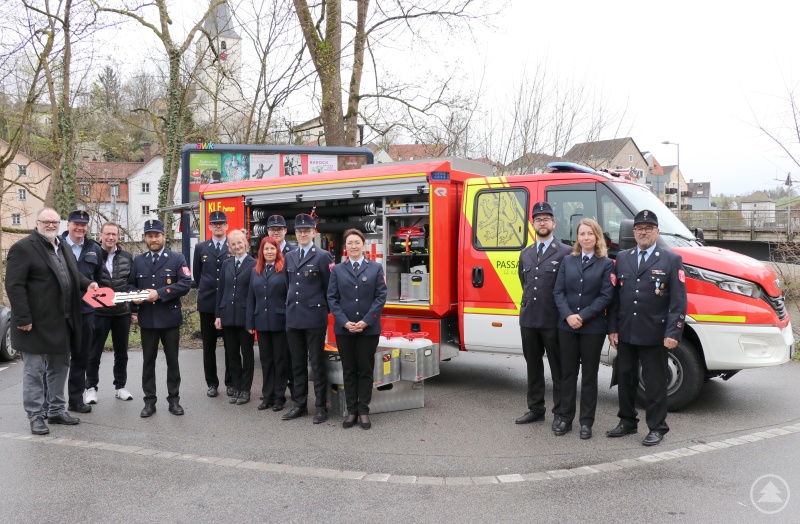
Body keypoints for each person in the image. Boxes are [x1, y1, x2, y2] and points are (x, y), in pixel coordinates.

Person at [6, 208, 97, 435]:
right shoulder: (23, 248)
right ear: (37, 223)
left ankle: (56, 410)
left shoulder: (62, 245)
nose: (50, 225)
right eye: (46, 221)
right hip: (34, 325)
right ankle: (35, 416)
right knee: (34, 372)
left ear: (60, 224)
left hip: (62, 322)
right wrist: (23, 318)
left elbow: (71, 275)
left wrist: (88, 284)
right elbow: (14, 286)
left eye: (54, 222)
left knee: (59, 368)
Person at [607, 210, 687, 446]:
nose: (643, 232)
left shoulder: (670, 259)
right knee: (625, 378)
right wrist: (612, 328)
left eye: (648, 228)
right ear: (634, 232)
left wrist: (674, 332)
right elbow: (615, 297)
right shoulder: (622, 257)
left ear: (657, 232)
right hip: (626, 331)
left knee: (654, 383)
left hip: (655, 333)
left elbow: (678, 301)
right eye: (639, 228)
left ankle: (657, 427)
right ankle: (627, 421)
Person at [552, 218, 616, 439]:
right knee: (567, 374)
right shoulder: (568, 261)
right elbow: (558, 292)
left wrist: (583, 315)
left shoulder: (606, 263)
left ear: (597, 237)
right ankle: (565, 418)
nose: (586, 237)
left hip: (593, 328)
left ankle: (586, 422)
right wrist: (569, 315)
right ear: (577, 238)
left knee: (589, 376)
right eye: (582, 234)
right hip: (567, 326)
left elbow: (606, 296)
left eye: (590, 233)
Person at [128, 219, 192, 417]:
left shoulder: (177, 258)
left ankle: (174, 400)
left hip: (170, 319)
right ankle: (149, 402)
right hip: (148, 319)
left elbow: (186, 283)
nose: (153, 239)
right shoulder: (139, 260)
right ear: (145, 238)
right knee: (148, 362)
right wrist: (135, 298)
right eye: (150, 236)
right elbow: (130, 286)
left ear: (164, 236)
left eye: (157, 235)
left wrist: (160, 293)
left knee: (172, 361)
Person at [517, 201, 572, 429]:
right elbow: (524, 281)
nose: (542, 222)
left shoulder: (566, 252)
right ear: (533, 224)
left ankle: (560, 412)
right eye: (538, 219)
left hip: (553, 320)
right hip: (529, 319)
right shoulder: (525, 253)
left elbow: (568, 288)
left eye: (546, 219)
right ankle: (535, 409)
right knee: (533, 367)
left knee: (558, 369)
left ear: (553, 223)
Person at [327, 229, 387, 430]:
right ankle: (351, 410)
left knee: (366, 371)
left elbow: (380, 297)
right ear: (346, 247)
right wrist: (344, 322)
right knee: (349, 370)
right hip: (345, 330)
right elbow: (332, 299)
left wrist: (366, 321)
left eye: (357, 242)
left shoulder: (376, 268)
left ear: (363, 245)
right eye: (350, 243)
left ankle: (363, 411)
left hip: (368, 330)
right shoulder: (337, 270)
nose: (353, 246)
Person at [282, 213, 334, 424]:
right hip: (293, 317)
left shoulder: (323, 256)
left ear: (314, 232)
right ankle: (300, 405)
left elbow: (329, 288)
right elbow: (289, 285)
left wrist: (322, 311)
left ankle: (321, 407)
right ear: (296, 233)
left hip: (314, 317)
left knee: (317, 363)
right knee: (297, 364)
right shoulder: (290, 256)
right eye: (300, 231)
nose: (303, 234)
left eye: (307, 230)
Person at [61, 210, 108, 414]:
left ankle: (75, 399)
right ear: (68, 224)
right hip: (61, 311)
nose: (80, 228)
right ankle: (49, 402)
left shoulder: (94, 249)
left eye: (84, 224)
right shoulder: (57, 246)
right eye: (76, 223)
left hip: (87, 312)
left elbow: (98, 278)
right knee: (56, 359)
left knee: (81, 356)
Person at [86, 222, 135, 403]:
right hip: (98, 313)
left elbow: (132, 284)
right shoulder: (91, 256)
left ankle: (120, 386)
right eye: (107, 234)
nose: (111, 238)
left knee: (121, 353)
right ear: (100, 235)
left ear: (118, 236)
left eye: (114, 234)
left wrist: (134, 310)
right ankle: (90, 388)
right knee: (94, 352)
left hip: (122, 312)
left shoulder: (127, 257)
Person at [246, 236, 290, 412]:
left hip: (280, 321)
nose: (269, 252)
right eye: (266, 249)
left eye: (272, 249)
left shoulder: (284, 269)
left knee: (280, 360)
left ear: (277, 251)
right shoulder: (255, 271)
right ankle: (268, 395)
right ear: (261, 252)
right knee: (266, 361)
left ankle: (279, 396)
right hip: (262, 321)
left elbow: (289, 295)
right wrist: (250, 321)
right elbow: (251, 298)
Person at [193, 210, 234, 398]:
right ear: (209, 227)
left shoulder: (233, 245)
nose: (218, 226)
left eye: (221, 223)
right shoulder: (201, 247)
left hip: (228, 302)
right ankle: (212, 383)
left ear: (226, 226)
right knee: (208, 346)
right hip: (208, 303)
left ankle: (231, 382)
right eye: (215, 224)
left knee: (230, 346)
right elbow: (197, 275)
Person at [215, 230, 256, 405]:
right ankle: (237, 387)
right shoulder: (226, 263)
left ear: (245, 243)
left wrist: (252, 319)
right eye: (233, 244)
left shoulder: (254, 263)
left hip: (245, 317)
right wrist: (218, 314)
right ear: (229, 247)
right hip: (228, 315)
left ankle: (246, 389)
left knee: (246, 354)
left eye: (240, 243)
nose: (237, 246)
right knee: (231, 354)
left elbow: (254, 293)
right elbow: (221, 290)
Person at [267, 214, 296, 401]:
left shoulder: (293, 253)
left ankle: (294, 391)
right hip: (274, 313)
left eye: (279, 229)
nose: (276, 231)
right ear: (268, 231)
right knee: (275, 356)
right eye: (272, 229)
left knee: (291, 355)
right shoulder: (264, 251)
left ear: (285, 231)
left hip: (292, 312)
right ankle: (276, 392)